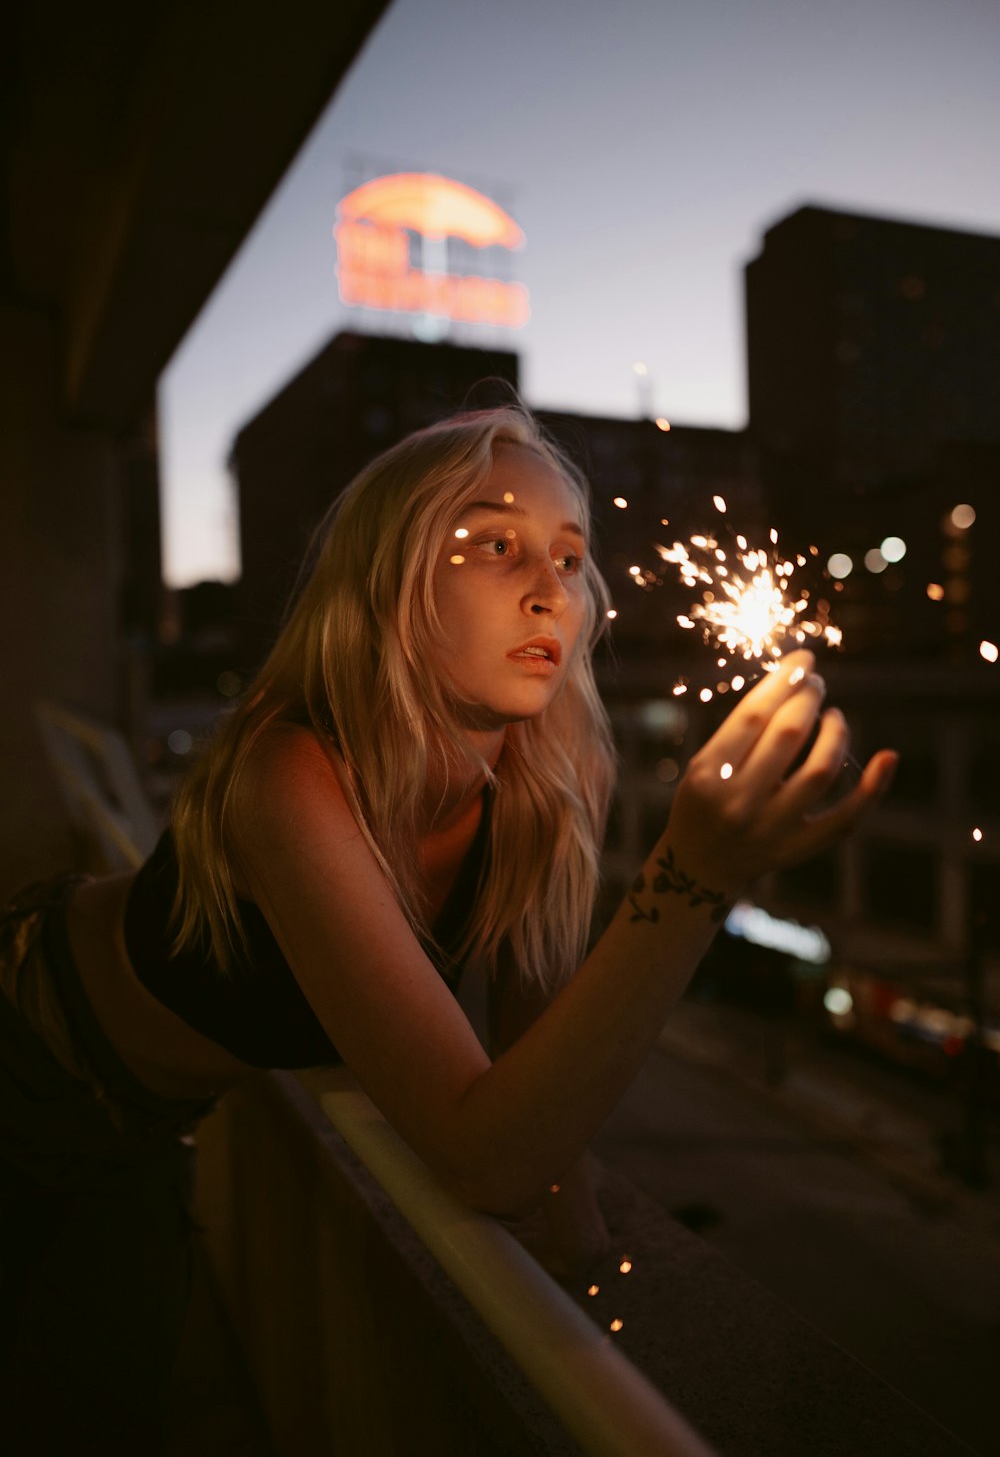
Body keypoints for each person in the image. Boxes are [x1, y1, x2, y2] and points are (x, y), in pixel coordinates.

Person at [0, 403, 897, 1451]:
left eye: (569, 556)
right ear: (387, 584)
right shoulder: (289, 773)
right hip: (27, 1052)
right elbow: (484, 1155)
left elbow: (540, 1084)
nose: (546, 587)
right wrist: (694, 874)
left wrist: (583, 1262)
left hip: (146, 1122)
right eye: (491, 545)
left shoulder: (551, 782)